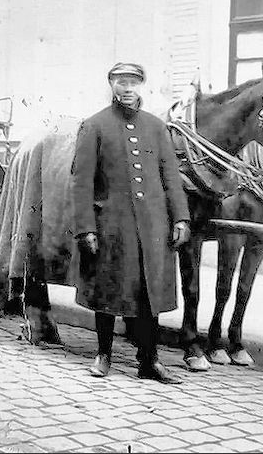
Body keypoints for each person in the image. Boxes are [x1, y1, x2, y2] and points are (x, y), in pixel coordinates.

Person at [71, 62, 191, 384]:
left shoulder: (156, 127)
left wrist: (180, 217)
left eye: (133, 83)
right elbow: (81, 182)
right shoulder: (94, 126)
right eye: (121, 82)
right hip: (112, 224)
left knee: (149, 293)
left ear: (142, 87)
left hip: (153, 226)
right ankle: (104, 354)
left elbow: (170, 178)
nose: (127, 89)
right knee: (109, 289)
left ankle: (149, 361)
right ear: (111, 85)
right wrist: (85, 227)